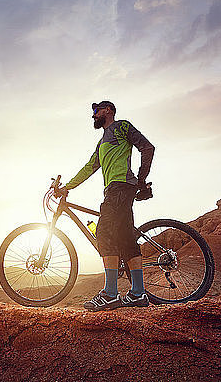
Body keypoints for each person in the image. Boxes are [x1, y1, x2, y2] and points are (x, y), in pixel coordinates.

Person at [58, 100, 155, 311]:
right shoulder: (102, 142)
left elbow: (147, 147)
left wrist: (141, 179)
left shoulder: (122, 127)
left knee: (104, 233)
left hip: (120, 187)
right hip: (115, 190)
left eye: (96, 110)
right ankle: (138, 294)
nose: (93, 115)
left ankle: (111, 294)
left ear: (108, 110)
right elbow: (89, 167)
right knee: (126, 240)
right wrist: (67, 187)